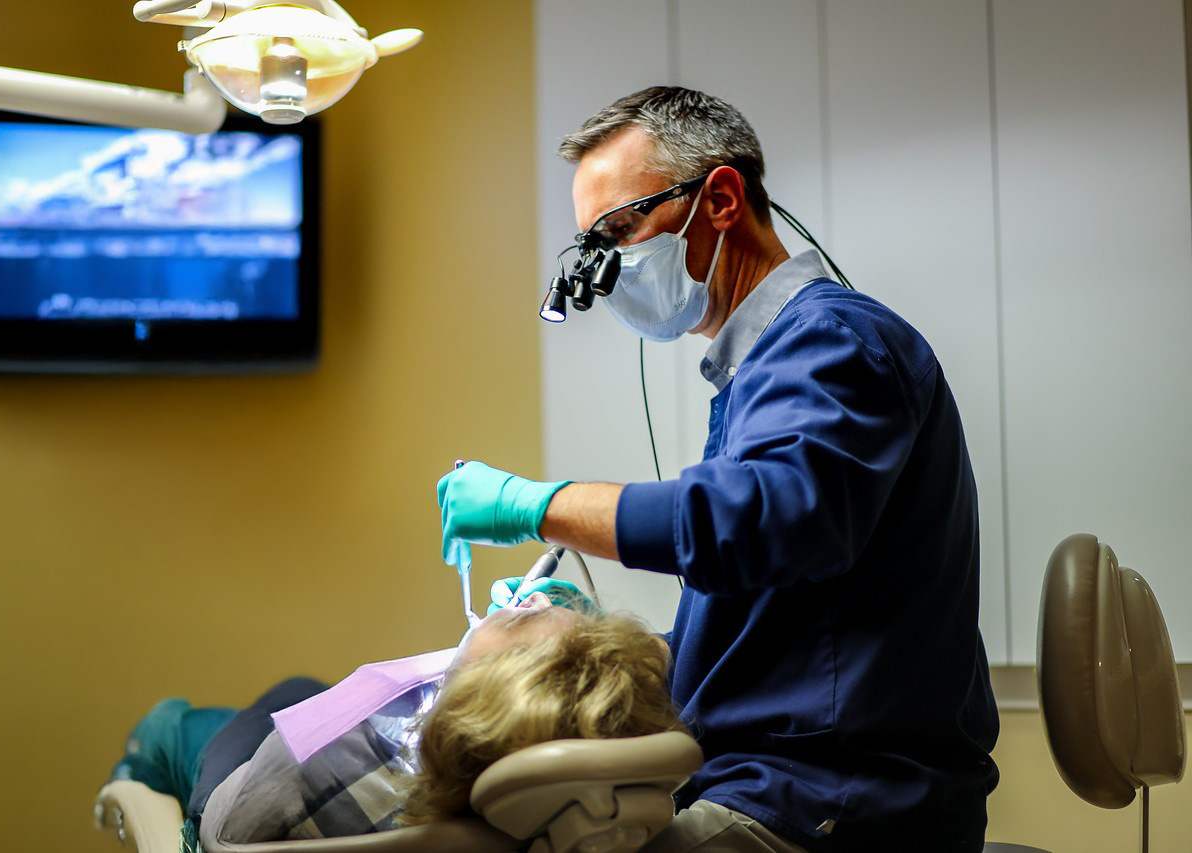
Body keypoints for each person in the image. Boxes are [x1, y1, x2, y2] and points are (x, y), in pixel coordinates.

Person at [437, 86, 1000, 852]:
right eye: (591, 245)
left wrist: (535, 504)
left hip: (837, 806)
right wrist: (585, 635)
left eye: (621, 228)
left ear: (722, 200)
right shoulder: (762, 373)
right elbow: (767, 630)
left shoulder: (832, 342)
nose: (607, 267)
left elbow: (754, 519)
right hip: (785, 787)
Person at [106, 591, 686, 848]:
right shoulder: (509, 762)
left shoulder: (368, 757)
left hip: (229, 810)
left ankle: (145, 749)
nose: (530, 599)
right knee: (309, 685)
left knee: (261, 700)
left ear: (469, 701)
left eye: (513, 620)